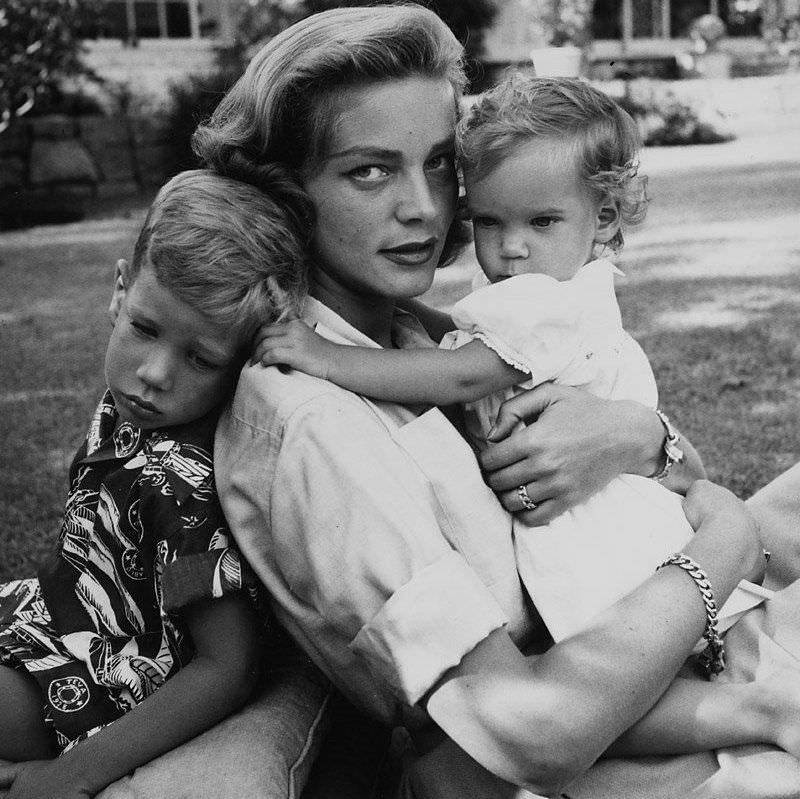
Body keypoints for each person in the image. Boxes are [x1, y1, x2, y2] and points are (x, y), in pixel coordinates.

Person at [195, 6, 800, 797]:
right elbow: (534, 726)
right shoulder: (316, 421)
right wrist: (727, 533)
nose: (424, 207)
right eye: (369, 171)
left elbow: (667, 460)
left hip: (664, 605)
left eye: (440, 163)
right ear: (286, 192)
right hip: (643, 679)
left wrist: (640, 436)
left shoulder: (400, 328)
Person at [252, 74, 768, 645]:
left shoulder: (544, 300)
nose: (511, 246)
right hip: (596, 503)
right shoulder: (554, 284)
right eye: (490, 222)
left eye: (541, 222)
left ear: (604, 218)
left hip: (593, 528)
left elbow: (462, 372)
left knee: (615, 646)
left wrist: (324, 356)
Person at [0, 169, 312, 799]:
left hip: (98, 679)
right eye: (145, 328)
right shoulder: (127, 414)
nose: (154, 374)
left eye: (201, 359)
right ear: (121, 290)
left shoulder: (182, 493)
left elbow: (228, 667)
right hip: (45, 619)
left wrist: (69, 778)